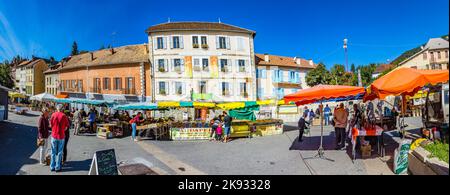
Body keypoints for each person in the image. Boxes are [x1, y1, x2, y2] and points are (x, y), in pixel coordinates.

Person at [49, 104, 69, 172]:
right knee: (60, 152)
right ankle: (57, 167)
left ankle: (52, 166)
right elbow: (66, 127)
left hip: (54, 135)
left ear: (57, 108)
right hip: (61, 136)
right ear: (62, 109)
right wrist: (62, 129)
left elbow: (50, 125)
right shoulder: (64, 116)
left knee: (53, 152)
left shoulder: (53, 115)